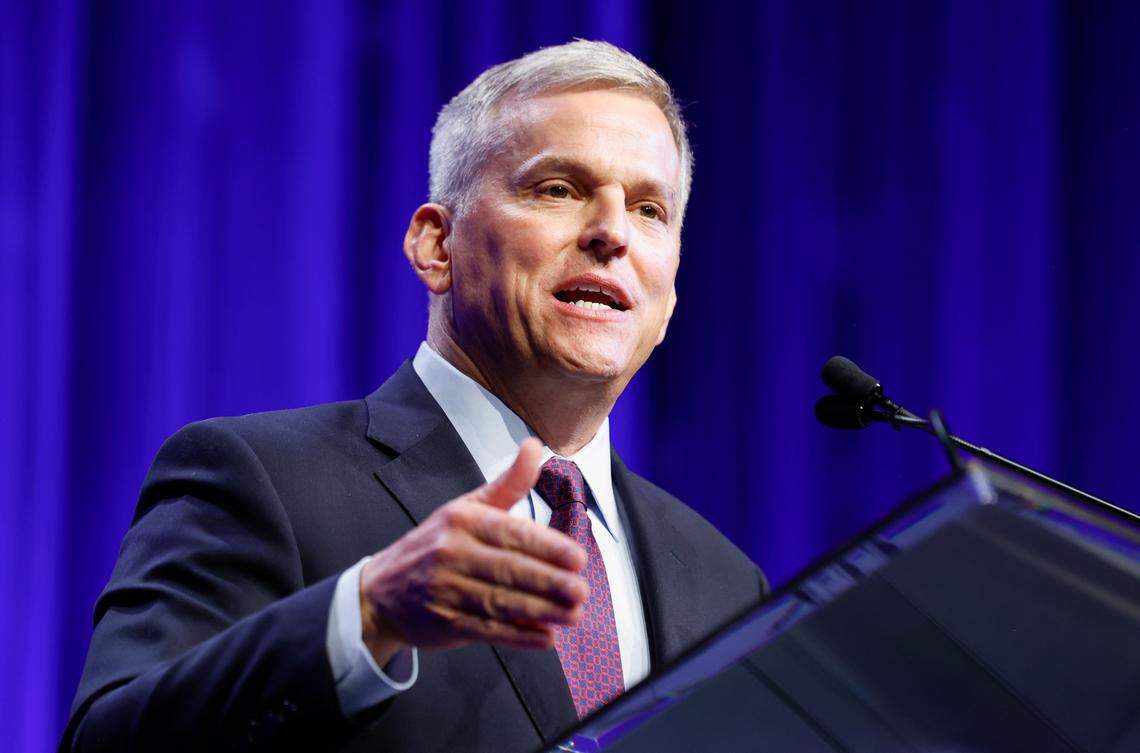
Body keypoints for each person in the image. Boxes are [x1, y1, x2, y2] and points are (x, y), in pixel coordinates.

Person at [62, 40, 767, 753]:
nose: (613, 233)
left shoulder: (725, 581)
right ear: (437, 246)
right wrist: (366, 615)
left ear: (670, 293)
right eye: (557, 189)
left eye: (650, 209)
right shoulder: (260, 478)